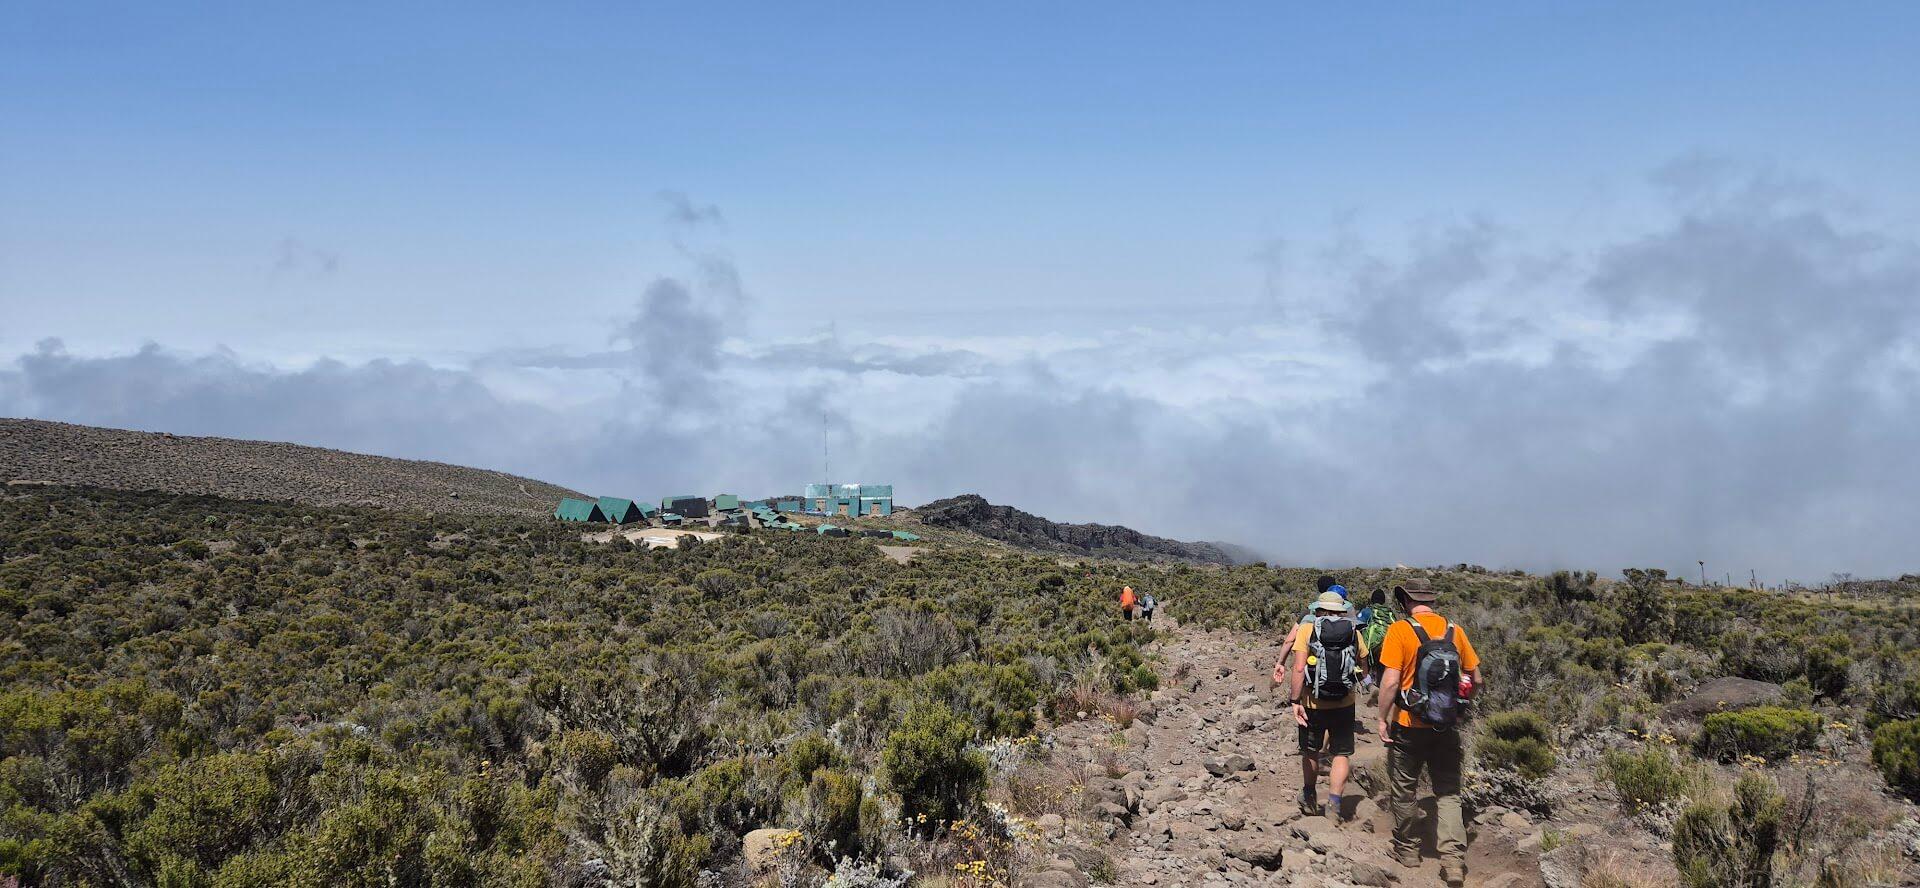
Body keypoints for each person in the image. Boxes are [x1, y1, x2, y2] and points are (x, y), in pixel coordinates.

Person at [1376, 577, 1482, 887]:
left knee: (1404, 788)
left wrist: (1382, 718)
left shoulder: (1400, 630)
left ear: (1406, 601)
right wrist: (1458, 708)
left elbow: (1390, 682)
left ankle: (1408, 850)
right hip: (1446, 725)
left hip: (1408, 725)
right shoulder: (1454, 630)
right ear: (1431, 601)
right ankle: (1453, 861)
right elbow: (1476, 678)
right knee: (1448, 793)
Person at [1280, 591, 1370, 821]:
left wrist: (1295, 700)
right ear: (1342, 611)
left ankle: (1309, 796)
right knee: (1341, 753)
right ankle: (1334, 804)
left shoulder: (1307, 629)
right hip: (1345, 702)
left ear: (1318, 609)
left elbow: (1299, 668)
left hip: (1313, 702)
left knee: (1311, 749)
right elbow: (1364, 666)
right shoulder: (1354, 631)